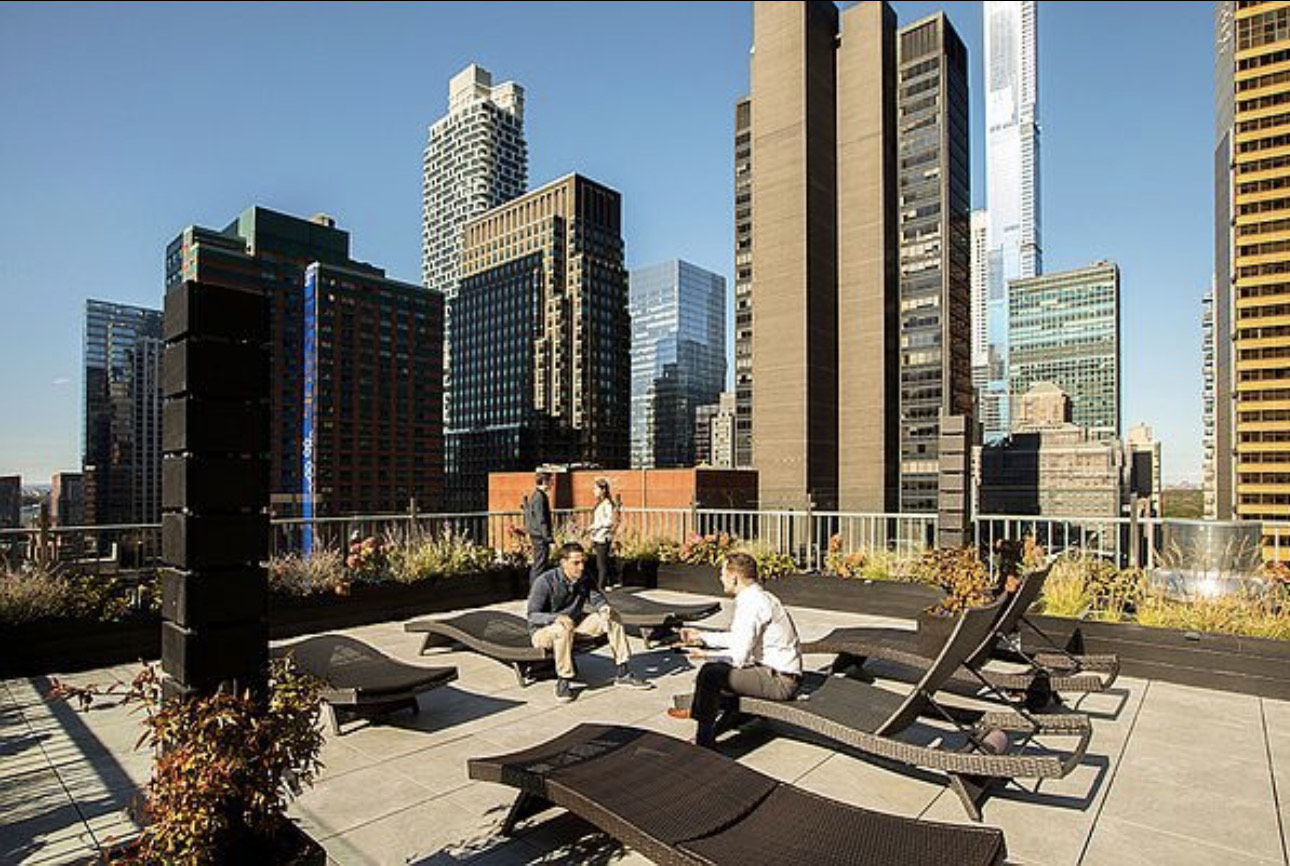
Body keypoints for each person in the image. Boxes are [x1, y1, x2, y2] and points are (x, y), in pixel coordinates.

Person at [667, 551, 802, 747]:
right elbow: (739, 638)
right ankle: (711, 714)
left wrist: (707, 656)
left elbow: (739, 657)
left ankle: (704, 741)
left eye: (722, 573)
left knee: (710, 674)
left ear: (734, 577)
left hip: (780, 681)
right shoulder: (759, 597)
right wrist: (701, 636)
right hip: (776, 672)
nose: (720, 578)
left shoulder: (751, 604)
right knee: (717, 674)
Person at [527, 542, 655, 702]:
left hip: (574, 627)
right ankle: (563, 680)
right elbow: (532, 615)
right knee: (561, 628)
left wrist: (603, 608)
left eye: (582, 562)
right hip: (543, 633)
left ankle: (623, 672)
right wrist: (556, 618)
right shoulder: (545, 582)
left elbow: (596, 597)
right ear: (563, 563)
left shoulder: (585, 577)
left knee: (612, 616)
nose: (581, 567)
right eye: (576, 563)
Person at [523, 471, 555, 584]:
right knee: (540, 564)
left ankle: (536, 588)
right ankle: (536, 589)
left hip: (537, 534)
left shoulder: (537, 496)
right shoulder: (539, 497)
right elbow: (541, 519)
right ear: (545, 481)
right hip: (540, 536)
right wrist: (548, 537)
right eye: (551, 481)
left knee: (540, 563)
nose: (553, 483)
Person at [588, 477, 619, 589]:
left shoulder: (607, 504)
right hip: (597, 535)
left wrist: (596, 526)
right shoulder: (600, 503)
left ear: (603, 490)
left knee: (601, 563)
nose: (594, 491)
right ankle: (608, 581)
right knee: (601, 561)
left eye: (596, 489)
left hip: (603, 536)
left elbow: (609, 521)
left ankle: (601, 585)